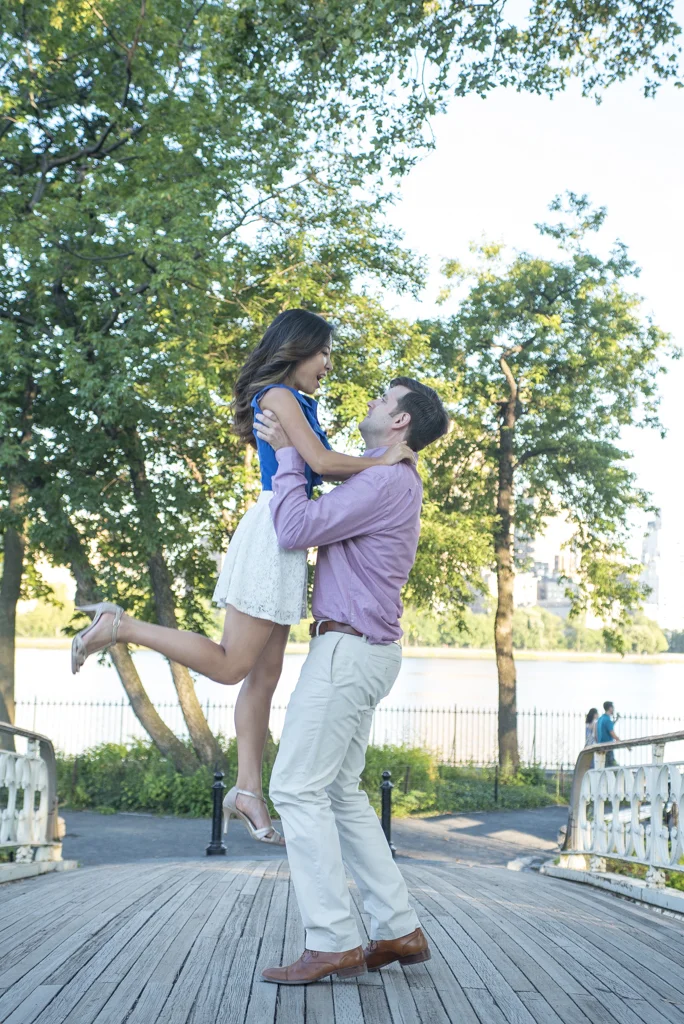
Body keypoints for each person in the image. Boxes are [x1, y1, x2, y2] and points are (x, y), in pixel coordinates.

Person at [70, 309, 414, 846]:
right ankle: (121, 628)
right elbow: (319, 461)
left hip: (284, 530)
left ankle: (248, 788)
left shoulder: (300, 400)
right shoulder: (277, 395)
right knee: (234, 666)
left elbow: (314, 463)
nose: (327, 364)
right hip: (275, 527)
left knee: (265, 674)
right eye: (323, 352)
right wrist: (387, 461)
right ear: (296, 348)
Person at [252, 376, 449, 985]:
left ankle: (333, 940)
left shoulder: (386, 480)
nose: (370, 402)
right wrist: (299, 445)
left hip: (347, 651)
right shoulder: (383, 473)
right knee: (339, 792)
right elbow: (334, 466)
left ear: (400, 423)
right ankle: (397, 928)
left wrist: (286, 454)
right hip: (364, 650)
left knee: (294, 788)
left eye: (382, 400)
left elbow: (296, 528)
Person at [596, 701, 620, 767]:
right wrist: (619, 740)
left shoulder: (600, 719)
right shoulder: (607, 720)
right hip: (608, 747)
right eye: (613, 708)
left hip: (600, 746)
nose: (614, 709)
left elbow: (596, 733)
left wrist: (616, 720)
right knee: (610, 767)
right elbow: (611, 732)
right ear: (610, 708)